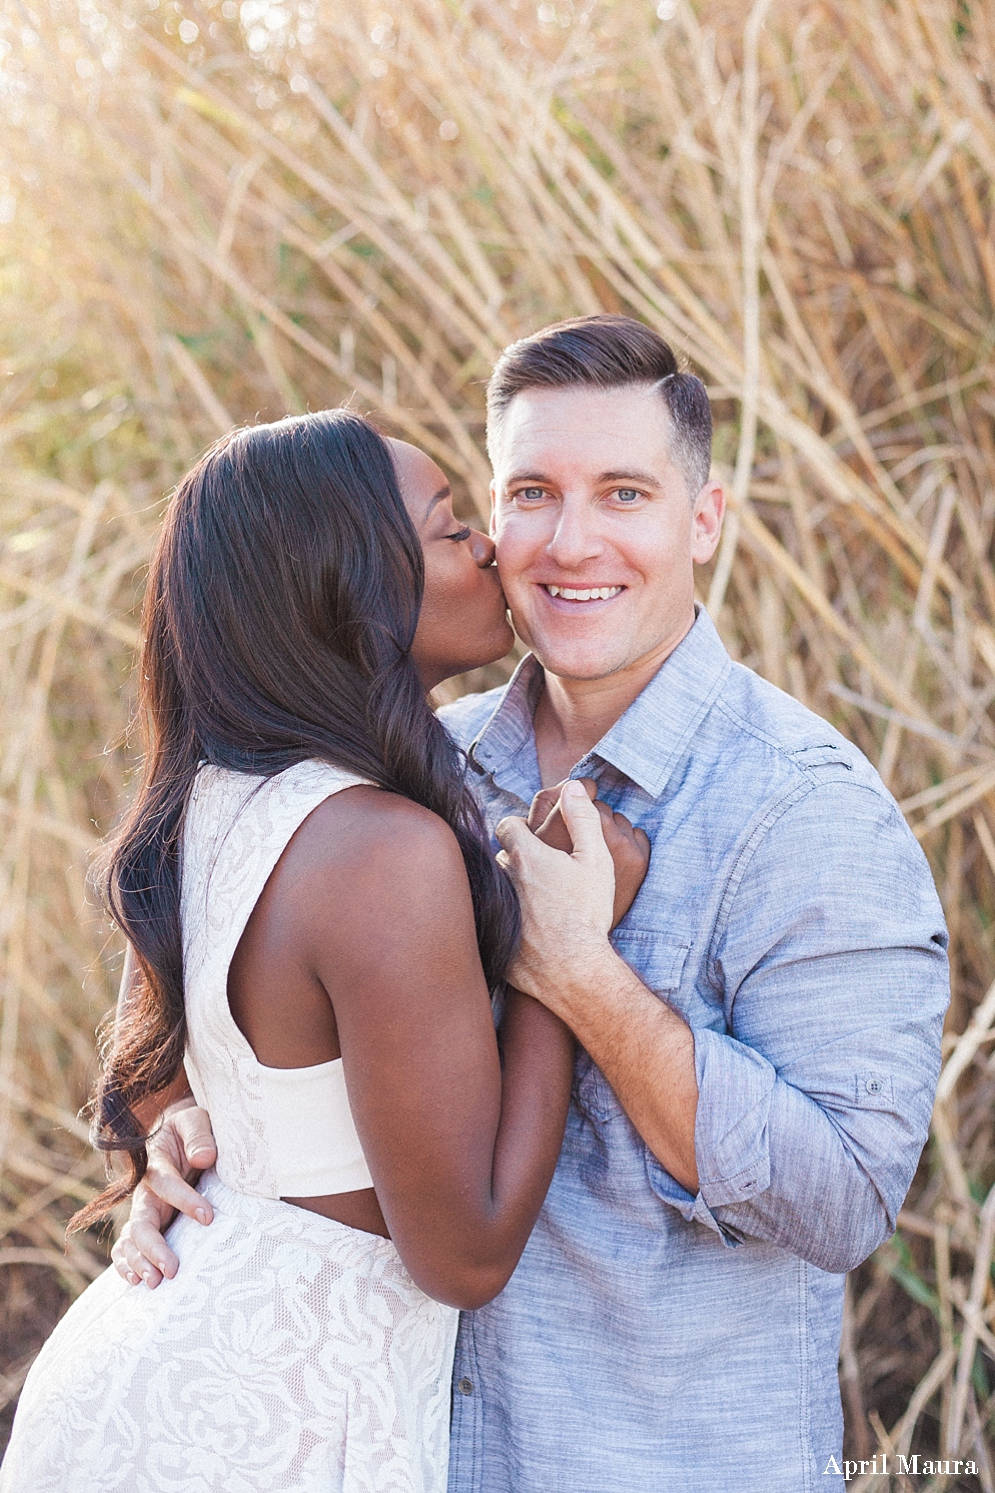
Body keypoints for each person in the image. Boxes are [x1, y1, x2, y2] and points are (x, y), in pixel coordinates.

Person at [108, 316, 950, 1491]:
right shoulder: (413, 768)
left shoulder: (805, 812)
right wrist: (193, 1158)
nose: (569, 540)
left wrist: (582, 980)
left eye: (621, 492)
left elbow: (846, 1197)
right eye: (529, 494)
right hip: (398, 1453)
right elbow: (220, 1004)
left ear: (700, 521)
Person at [0, 408, 649, 1493]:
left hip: (138, 1382)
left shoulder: (206, 800)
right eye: (450, 530)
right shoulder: (379, 853)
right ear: (350, 592)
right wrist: (563, 951)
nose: (489, 545)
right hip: (273, 1429)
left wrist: (188, 1144)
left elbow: (150, 1088)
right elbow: (465, 1254)